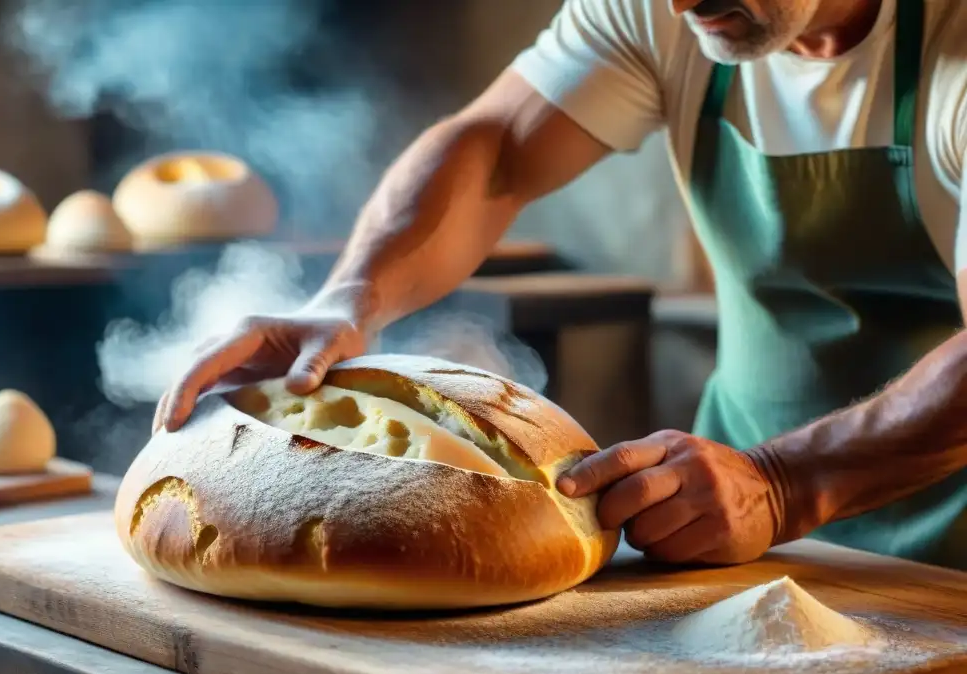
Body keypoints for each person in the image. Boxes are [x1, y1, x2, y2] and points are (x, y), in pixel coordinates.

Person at [153, 0, 967, 570]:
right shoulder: (674, 8)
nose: (680, 6)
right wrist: (350, 296)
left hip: (942, 550)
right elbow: (497, 149)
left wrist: (786, 483)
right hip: (739, 527)